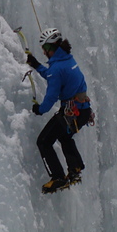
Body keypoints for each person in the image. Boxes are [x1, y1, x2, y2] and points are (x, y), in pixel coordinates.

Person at [26, 28, 92, 193]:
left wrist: (40, 110)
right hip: (82, 111)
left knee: (43, 141)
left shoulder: (57, 68)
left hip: (71, 113)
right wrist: (36, 65)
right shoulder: (68, 60)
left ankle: (58, 178)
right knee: (64, 136)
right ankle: (75, 168)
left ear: (50, 48)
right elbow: (53, 75)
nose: (43, 51)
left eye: (44, 48)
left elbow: (51, 97)